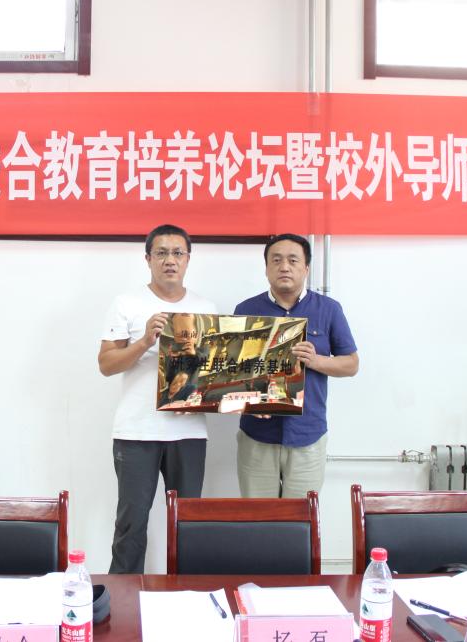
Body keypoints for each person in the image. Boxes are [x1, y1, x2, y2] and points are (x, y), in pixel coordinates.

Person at [98, 224, 216, 574]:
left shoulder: (205, 307)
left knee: (189, 523)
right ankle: (121, 597)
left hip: (188, 432)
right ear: (148, 259)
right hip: (137, 432)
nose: (170, 260)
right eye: (161, 253)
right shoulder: (127, 303)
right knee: (131, 524)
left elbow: (215, 373)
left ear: (188, 259)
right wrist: (145, 341)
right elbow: (106, 365)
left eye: (178, 253)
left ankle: (188, 593)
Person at [234, 233, 358, 498]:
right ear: (266, 267)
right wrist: (246, 399)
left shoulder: (329, 309)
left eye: (293, 260)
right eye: (276, 260)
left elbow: (351, 364)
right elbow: (231, 371)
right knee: (257, 516)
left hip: (308, 436)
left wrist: (317, 361)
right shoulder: (245, 309)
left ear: (306, 268)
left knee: (301, 518)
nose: (284, 267)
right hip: (257, 436)